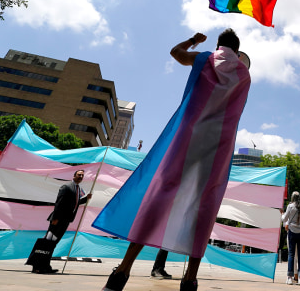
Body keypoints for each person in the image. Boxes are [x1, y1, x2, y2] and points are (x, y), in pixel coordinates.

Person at [95, 30, 251, 291]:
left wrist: (193, 41)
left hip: (188, 136)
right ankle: (190, 279)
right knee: (205, 204)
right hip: (218, 146)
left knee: (160, 195)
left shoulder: (205, 58)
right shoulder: (244, 74)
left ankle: (122, 272)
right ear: (237, 49)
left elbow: (175, 53)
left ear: (218, 45)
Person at [26, 168, 91, 274]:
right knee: (47, 243)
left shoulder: (78, 189)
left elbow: (75, 203)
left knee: (53, 244)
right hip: (58, 220)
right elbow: (59, 203)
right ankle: (37, 266)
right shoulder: (67, 187)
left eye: (82, 175)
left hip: (66, 220)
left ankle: (45, 265)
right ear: (74, 176)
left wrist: (86, 199)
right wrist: (55, 219)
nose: (81, 176)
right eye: (79, 174)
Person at [282, 191, 300, 285]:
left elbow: (284, 219)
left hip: (292, 232)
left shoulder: (290, 207)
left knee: (291, 255)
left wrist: (282, 214)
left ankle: (289, 277)